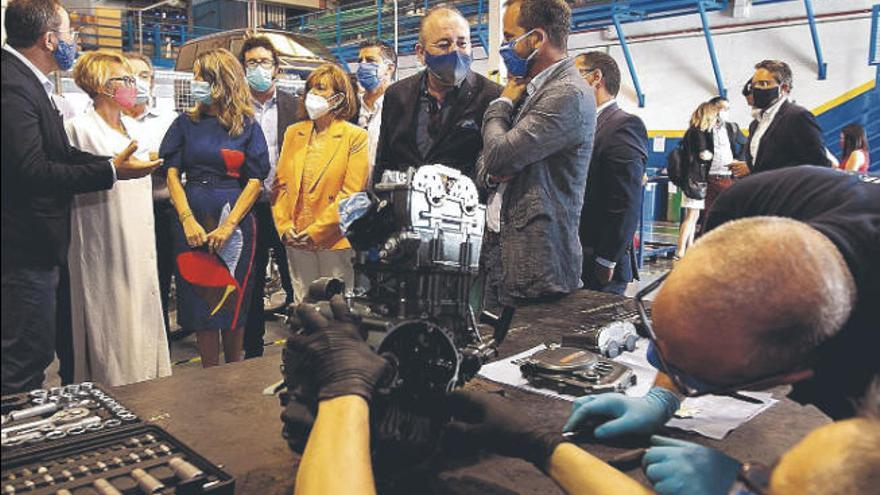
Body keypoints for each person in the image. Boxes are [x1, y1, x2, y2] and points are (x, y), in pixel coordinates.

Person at [565, 167, 878, 480]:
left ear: (788, 376)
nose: (654, 358)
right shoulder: (750, 203)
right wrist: (665, 395)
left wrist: (753, 484)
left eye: (687, 374)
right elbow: (700, 318)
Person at [1, 0, 161, 394]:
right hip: (24, 247)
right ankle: (21, 448)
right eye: (70, 33)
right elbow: (32, 169)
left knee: (33, 354)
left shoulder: (30, 83)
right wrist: (110, 171)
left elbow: (57, 155)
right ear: (51, 39)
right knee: (24, 361)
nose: (75, 41)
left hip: (37, 248)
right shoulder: (11, 83)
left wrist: (109, 164)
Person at [64, 50, 172, 386]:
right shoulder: (78, 129)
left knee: (142, 307)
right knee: (112, 312)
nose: (132, 86)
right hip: (103, 235)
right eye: (124, 80)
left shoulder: (131, 128)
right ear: (101, 85)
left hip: (139, 232)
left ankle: (149, 385)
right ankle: (117, 389)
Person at [478, 0, 595, 310]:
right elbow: (487, 160)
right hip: (503, 256)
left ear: (536, 39)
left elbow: (499, 154)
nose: (504, 46)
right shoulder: (530, 88)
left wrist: (499, 105)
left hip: (536, 268)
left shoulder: (566, 93)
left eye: (508, 36)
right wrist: (492, 168)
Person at [159, 48, 270, 367]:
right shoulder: (184, 124)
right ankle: (209, 373)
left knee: (234, 298)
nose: (194, 83)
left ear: (219, 81)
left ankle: (233, 372)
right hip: (190, 215)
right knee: (199, 299)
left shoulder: (247, 125)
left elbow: (254, 181)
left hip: (234, 219)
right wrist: (187, 220)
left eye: (199, 77)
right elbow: (172, 174)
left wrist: (228, 225)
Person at [271, 63, 368, 304]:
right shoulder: (294, 133)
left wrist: (316, 232)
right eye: (310, 88)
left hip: (333, 240)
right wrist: (284, 228)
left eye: (321, 88)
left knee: (335, 311)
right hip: (296, 239)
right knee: (303, 306)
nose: (312, 94)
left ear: (338, 98)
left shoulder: (355, 137)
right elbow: (280, 185)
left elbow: (351, 193)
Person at [372, 6, 501, 185]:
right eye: (444, 44)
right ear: (421, 53)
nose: (455, 51)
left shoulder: (491, 96)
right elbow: (384, 162)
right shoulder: (397, 94)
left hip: (462, 208)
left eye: (462, 43)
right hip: (402, 208)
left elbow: (495, 168)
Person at [239, 35, 303, 359]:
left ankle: (302, 348)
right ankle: (252, 352)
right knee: (250, 282)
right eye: (252, 63)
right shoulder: (234, 109)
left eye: (264, 62)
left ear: (276, 69)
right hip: (249, 208)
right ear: (243, 68)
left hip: (287, 207)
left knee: (297, 280)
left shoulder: (297, 104)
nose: (259, 68)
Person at [575, 51, 647, 295]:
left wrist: (607, 259)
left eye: (575, 75)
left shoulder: (623, 126)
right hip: (575, 256)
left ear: (596, 78)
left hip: (598, 261)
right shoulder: (583, 123)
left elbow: (625, 200)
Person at [123, 51, 179, 337]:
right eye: (131, 76)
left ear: (153, 82)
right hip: (122, 212)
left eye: (144, 76)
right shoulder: (110, 120)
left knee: (159, 279)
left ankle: (160, 344)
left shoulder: (168, 119)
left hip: (160, 210)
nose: (139, 83)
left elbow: (176, 161)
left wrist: (150, 160)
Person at [728, 60, 831, 178]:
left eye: (764, 84)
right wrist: (751, 168)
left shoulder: (798, 116)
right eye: (754, 85)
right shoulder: (756, 124)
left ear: (784, 88)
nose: (756, 89)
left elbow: (820, 166)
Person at [675, 102, 716, 259]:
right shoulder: (698, 133)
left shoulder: (691, 131)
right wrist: (714, 155)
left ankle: (688, 247)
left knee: (694, 215)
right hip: (695, 178)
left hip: (690, 178)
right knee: (691, 216)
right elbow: (703, 154)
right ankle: (680, 250)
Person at [354, 39, 396, 180]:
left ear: (389, 68)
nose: (362, 65)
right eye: (360, 61)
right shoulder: (351, 108)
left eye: (370, 60)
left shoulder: (401, 107)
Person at [704, 95, 745, 216]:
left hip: (726, 176)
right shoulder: (703, 126)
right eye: (722, 108)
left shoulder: (732, 127)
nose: (725, 112)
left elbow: (746, 144)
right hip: (707, 178)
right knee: (706, 214)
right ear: (711, 109)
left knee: (728, 211)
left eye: (727, 109)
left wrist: (738, 160)